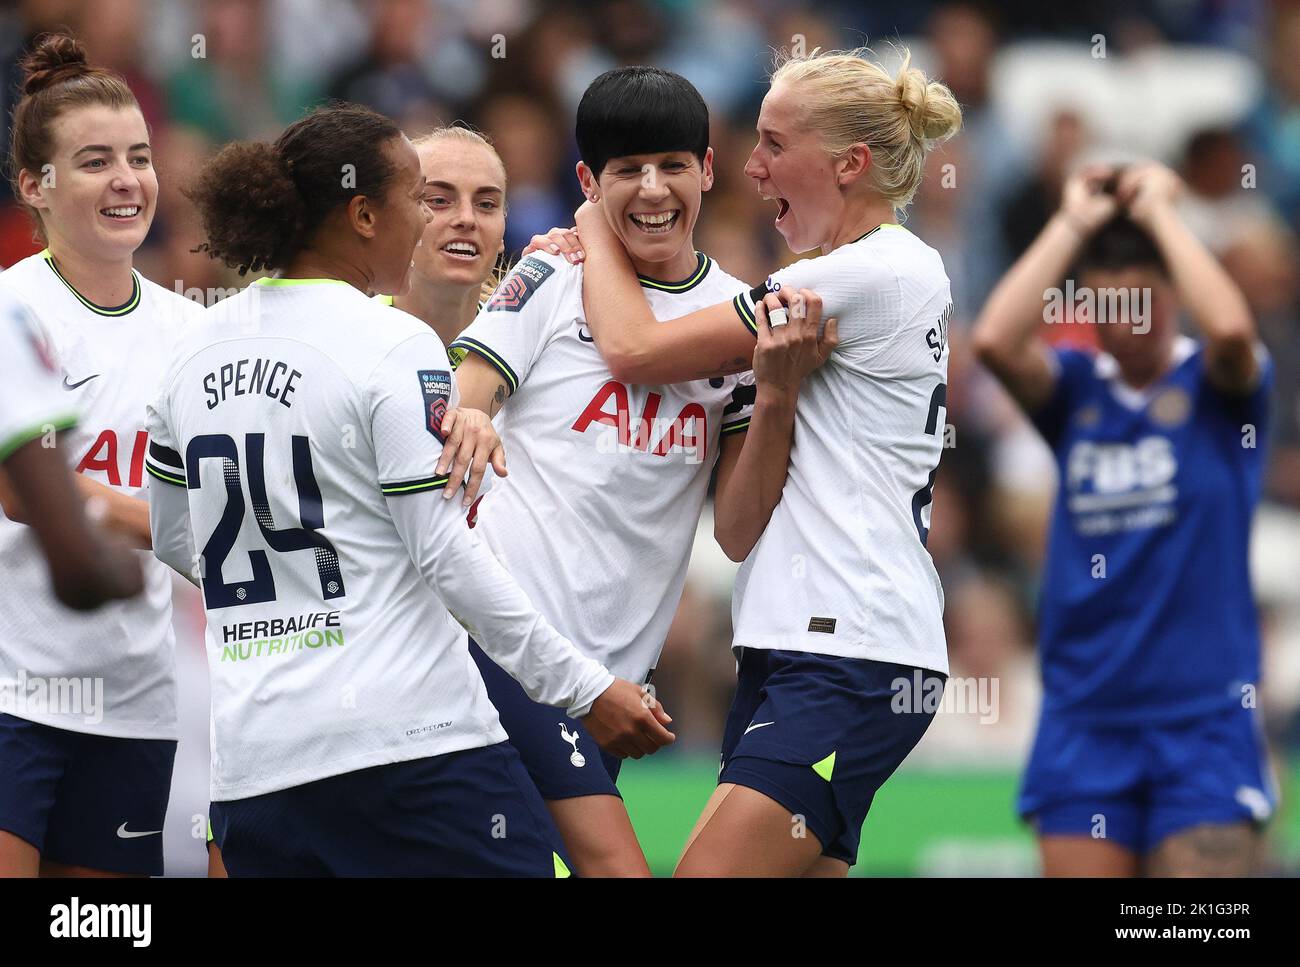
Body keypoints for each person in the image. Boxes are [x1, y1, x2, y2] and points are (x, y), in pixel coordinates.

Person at [151, 103, 673, 877]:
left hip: (255, 769)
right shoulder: (394, 342)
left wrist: (304, 586)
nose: (427, 223)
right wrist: (586, 688)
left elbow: (175, 538)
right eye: (417, 199)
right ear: (364, 213)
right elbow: (445, 557)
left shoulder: (189, 352)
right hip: (410, 755)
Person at [535, 48, 962, 876]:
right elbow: (735, 528)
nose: (752, 165)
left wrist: (591, 220)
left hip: (851, 650)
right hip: (789, 647)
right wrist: (771, 394)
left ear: (849, 163)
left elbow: (632, 348)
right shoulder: (845, 279)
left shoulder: (869, 273)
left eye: (771, 143)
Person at [439, 66, 835, 876]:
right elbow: (460, 407)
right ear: (588, 181)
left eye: (671, 166)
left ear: (709, 171)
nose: (652, 190)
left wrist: (776, 396)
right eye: (625, 171)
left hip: (614, 684)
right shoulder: (549, 275)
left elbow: (733, 527)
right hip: (505, 650)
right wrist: (469, 412)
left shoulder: (738, 314)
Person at [972, 162, 1275, 876]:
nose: (1124, 325)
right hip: (1085, 718)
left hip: (1202, 718)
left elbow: (1231, 325)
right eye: (1106, 309)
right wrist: (1074, 219)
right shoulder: (1075, 389)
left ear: (1171, 293)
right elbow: (993, 340)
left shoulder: (1219, 385)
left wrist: (1164, 211)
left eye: (1139, 302)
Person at [0, 33, 202, 878]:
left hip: (135, 702)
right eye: (94, 162)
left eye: (139, 156)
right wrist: (167, 524)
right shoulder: (14, 309)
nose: (127, 180)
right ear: (33, 188)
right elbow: (23, 494)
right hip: (12, 693)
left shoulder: (194, 331)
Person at [0, 289, 144, 610]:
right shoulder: (12, 308)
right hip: (29, 647)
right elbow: (81, 570)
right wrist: (120, 561)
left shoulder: (183, 315)